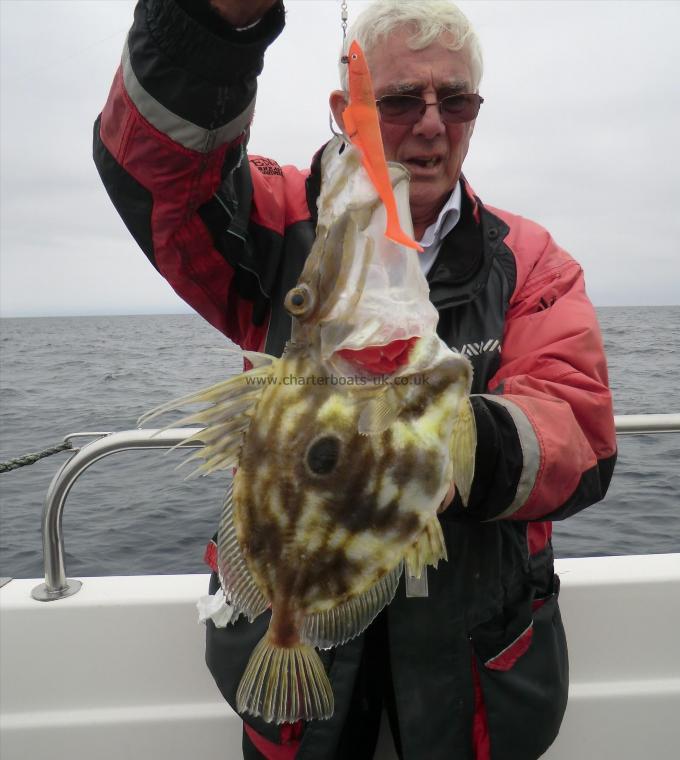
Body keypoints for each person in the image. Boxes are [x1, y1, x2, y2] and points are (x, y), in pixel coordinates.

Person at [93, 1, 617, 757]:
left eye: (457, 100)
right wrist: (210, 26)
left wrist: (465, 441)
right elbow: (159, 177)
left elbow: (581, 431)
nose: (432, 124)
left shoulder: (532, 263)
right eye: (401, 99)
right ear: (350, 110)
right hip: (311, 699)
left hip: (470, 691)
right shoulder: (277, 223)